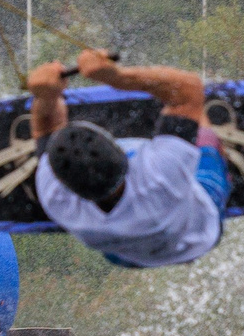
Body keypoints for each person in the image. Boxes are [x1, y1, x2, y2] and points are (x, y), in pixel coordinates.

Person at [26, 49, 230, 269]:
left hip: (128, 258)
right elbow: (189, 91)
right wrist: (115, 77)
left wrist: (46, 97)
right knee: (203, 135)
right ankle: (224, 153)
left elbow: (46, 127)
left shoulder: (56, 197)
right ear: (125, 159)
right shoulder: (159, 177)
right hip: (200, 234)